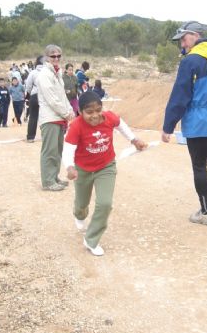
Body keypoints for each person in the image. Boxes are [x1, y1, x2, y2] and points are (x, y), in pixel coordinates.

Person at [161, 21, 207, 226]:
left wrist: (168, 126)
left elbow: (180, 96)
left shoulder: (190, 61)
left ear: (194, 35)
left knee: (199, 165)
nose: (182, 45)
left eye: (183, 39)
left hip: (197, 120)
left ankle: (206, 212)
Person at [63, 91, 147, 256]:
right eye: (89, 112)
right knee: (82, 203)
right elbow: (68, 149)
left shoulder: (109, 117)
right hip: (82, 170)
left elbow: (121, 124)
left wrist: (134, 140)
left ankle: (91, 239)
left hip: (105, 167)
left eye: (98, 110)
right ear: (80, 112)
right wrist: (70, 167)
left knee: (105, 203)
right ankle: (79, 215)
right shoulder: (76, 126)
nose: (95, 115)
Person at [37, 44, 75, 191]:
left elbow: (62, 96)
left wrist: (70, 110)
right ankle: (47, 181)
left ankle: (54, 177)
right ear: (47, 57)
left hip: (59, 118)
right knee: (50, 150)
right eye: (53, 56)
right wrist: (66, 113)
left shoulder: (57, 73)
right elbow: (52, 99)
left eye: (59, 55)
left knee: (57, 150)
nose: (56, 58)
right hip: (50, 118)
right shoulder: (45, 75)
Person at [25, 55, 44, 142]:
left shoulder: (33, 72)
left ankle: (30, 137)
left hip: (34, 94)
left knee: (33, 116)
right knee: (45, 116)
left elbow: (28, 86)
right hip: (45, 96)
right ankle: (45, 135)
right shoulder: (47, 72)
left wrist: (30, 92)